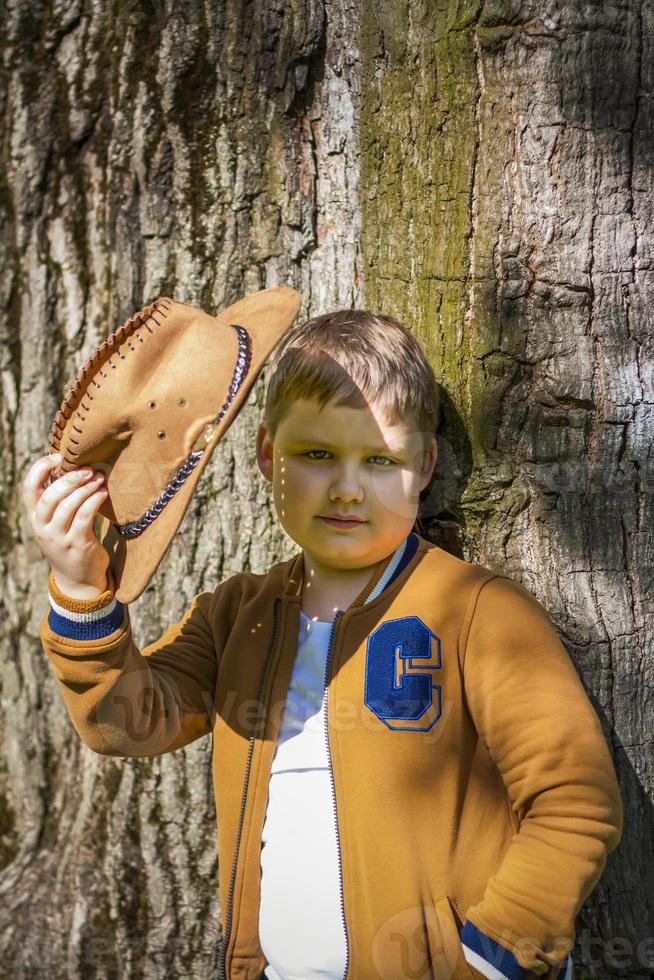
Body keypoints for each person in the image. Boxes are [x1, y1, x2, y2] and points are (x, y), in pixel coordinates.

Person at [26, 308, 623, 980]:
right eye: (316, 456)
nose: (346, 488)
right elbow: (126, 723)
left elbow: (573, 800)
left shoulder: (479, 613)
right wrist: (81, 589)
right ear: (267, 457)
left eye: (379, 460)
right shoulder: (236, 616)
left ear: (424, 465)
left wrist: (496, 955)